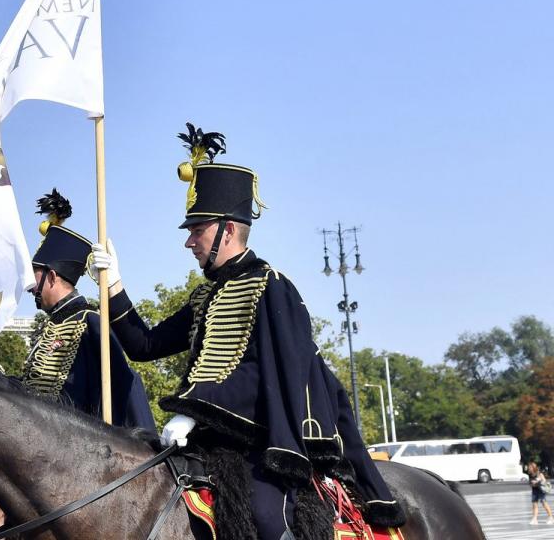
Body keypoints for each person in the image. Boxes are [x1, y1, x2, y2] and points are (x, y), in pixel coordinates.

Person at [88, 124, 404, 540]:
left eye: (196, 230)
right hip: (206, 439)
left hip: (261, 442)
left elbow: (275, 374)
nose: (189, 242)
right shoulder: (207, 296)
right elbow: (144, 345)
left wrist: (194, 408)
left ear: (228, 230)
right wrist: (113, 286)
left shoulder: (270, 286)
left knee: (266, 518)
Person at [24, 189, 156, 430]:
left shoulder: (91, 322)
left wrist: (146, 442)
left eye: (35, 276)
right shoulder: (51, 327)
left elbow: (127, 384)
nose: (30, 287)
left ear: (52, 277)